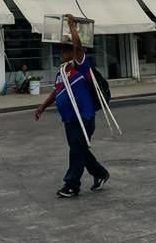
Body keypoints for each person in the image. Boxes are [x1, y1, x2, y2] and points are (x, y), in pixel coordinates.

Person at [33, 15, 110, 198]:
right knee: (79, 149)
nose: (60, 54)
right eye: (60, 51)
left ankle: (71, 185)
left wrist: (71, 25)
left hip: (83, 117)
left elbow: (77, 46)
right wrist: (42, 107)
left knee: (77, 149)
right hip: (69, 119)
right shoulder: (62, 72)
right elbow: (57, 93)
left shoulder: (80, 66)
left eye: (64, 51)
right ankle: (100, 173)